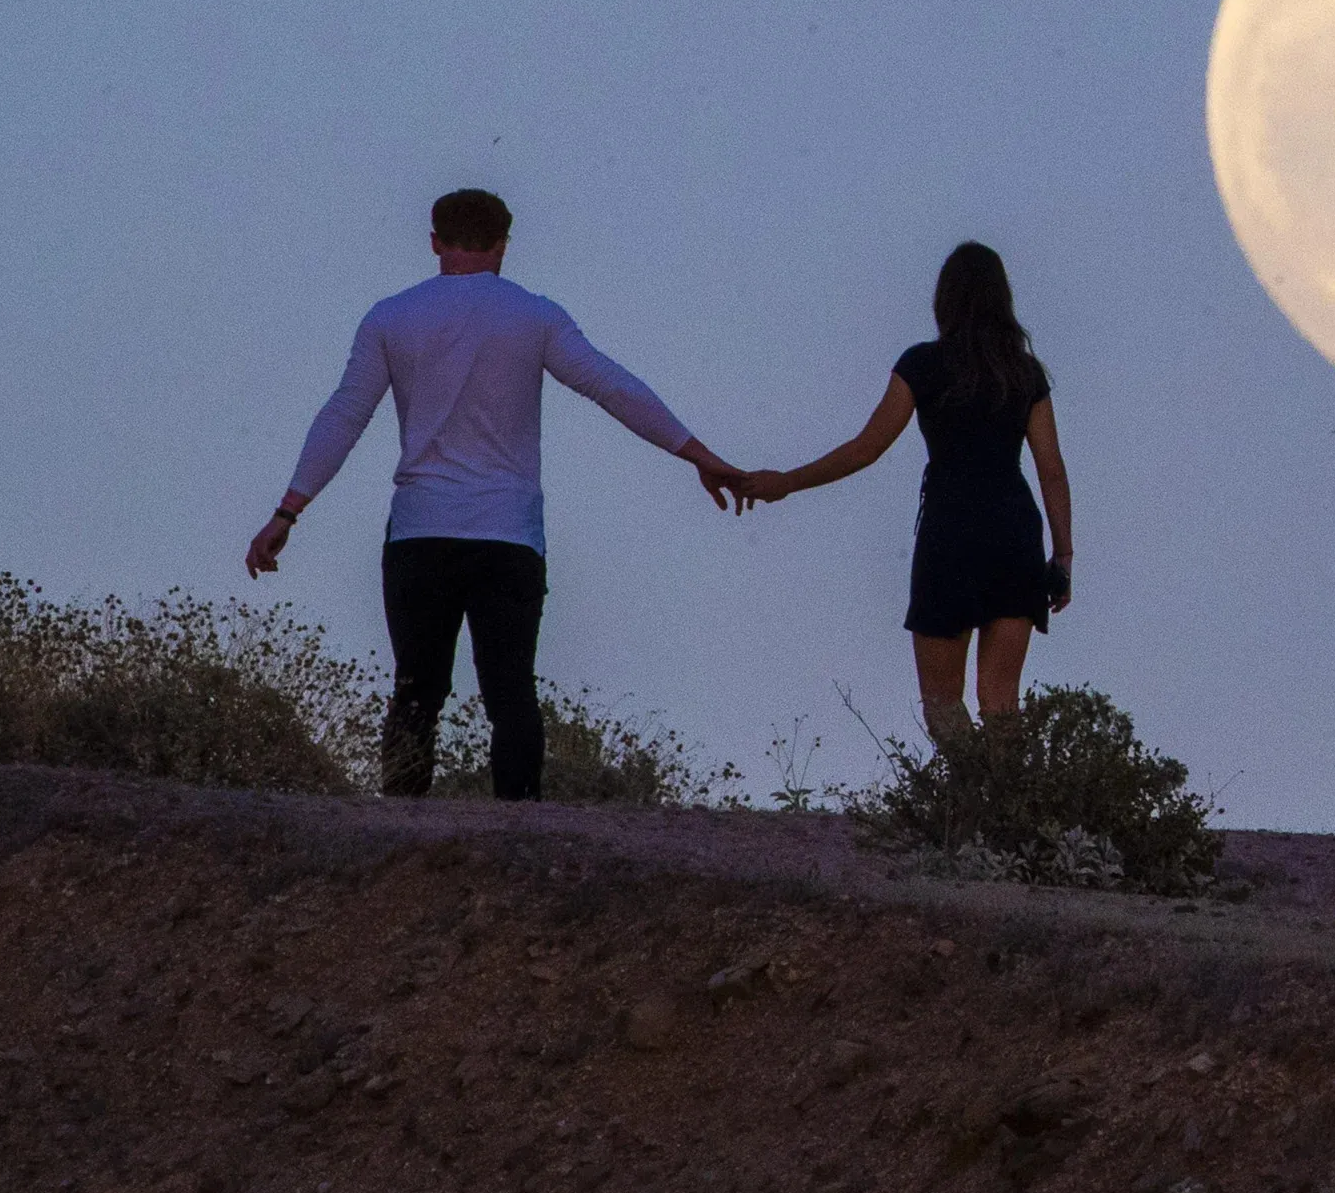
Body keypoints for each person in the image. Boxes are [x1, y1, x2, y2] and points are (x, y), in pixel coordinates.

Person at [243, 189, 749, 800]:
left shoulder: (391, 317)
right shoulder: (533, 315)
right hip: (507, 535)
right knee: (510, 692)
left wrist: (288, 510)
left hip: (419, 533)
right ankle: (520, 835)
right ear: (504, 243)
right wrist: (699, 455)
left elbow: (344, 415)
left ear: (434, 241)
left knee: (416, 691)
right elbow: (612, 387)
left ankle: (401, 833)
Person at [745, 241, 1071, 750]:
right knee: (1001, 703)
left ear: (945, 299)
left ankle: (973, 804)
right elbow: (1051, 470)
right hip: (1014, 535)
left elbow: (866, 448)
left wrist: (788, 481)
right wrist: (1064, 554)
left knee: (943, 704)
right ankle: (1005, 816)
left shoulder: (922, 366)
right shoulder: (1025, 375)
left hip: (950, 536)